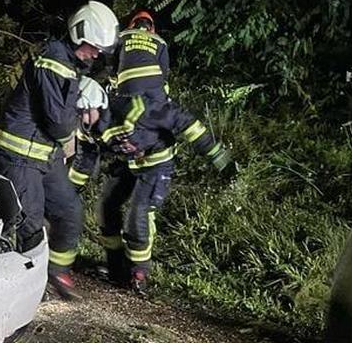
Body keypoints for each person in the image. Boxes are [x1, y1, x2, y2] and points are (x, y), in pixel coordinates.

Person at [0, 0, 118, 300]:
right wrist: (81, 107)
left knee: (69, 211)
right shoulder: (53, 61)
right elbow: (59, 125)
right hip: (18, 154)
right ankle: (27, 289)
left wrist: (85, 89)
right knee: (29, 224)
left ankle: (56, 272)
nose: (97, 53)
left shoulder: (69, 64)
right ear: (78, 34)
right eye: (93, 46)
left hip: (44, 154)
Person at [71, 91, 235, 294]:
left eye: (82, 112)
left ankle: (138, 274)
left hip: (156, 164)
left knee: (138, 214)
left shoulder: (136, 110)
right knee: (105, 209)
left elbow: (184, 120)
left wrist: (215, 153)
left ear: (97, 105)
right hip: (128, 164)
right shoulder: (86, 128)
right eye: (76, 113)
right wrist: (70, 190)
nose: (80, 118)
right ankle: (116, 267)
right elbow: (84, 161)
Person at [113, 10, 169, 102]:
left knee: (129, 112)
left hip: (129, 84)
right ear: (151, 27)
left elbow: (112, 62)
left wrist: (114, 82)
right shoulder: (160, 41)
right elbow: (164, 69)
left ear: (132, 24)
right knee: (159, 112)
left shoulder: (122, 36)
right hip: (155, 86)